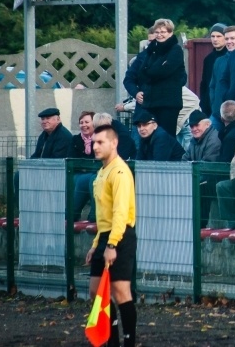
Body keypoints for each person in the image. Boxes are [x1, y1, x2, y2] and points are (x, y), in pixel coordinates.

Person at [86, 124, 138, 347]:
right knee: (96, 291)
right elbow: (103, 215)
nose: (94, 146)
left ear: (114, 143)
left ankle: (128, 341)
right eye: (93, 142)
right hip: (106, 236)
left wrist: (112, 244)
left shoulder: (119, 171)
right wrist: (97, 243)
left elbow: (119, 212)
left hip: (120, 236)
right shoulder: (102, 170)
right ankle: (111, 340)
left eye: (100, 142)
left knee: (120, 291)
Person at [137, 18, 186, 137]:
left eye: (163, 32)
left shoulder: (176, 50)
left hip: (168, 103)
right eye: (157, 32)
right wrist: (156, 68)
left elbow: (163, 71)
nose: (159, 35)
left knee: (166, 138)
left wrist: (152, 70)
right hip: (151, 102)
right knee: (150, 137)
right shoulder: (151, 49)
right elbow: (141, 72)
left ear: (170, 33)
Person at [69, 111, 97, 222]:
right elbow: (71, 158)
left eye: (87, 122)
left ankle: (91, 217)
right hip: (78, 172)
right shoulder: (75, 139)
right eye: (81, 122)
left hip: (93, 172)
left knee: (85, 180)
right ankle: (71, 216)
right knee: (77, 179)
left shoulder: (99, 139)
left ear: (94, 123)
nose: (84, 125)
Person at [210, 26, 235, 125]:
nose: (229, 41)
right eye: (226, 39)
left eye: (232, 38)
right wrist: (214, 104)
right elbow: (213, 85)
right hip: (217, 113)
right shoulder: (219, 61)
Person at [200, 23, 227, 126]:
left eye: (219, 36)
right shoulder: (208, 59)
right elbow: (204, 83)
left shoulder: (228, 57)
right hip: (208, 105)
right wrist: (203, 102)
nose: (215, 39)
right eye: (213, 36)